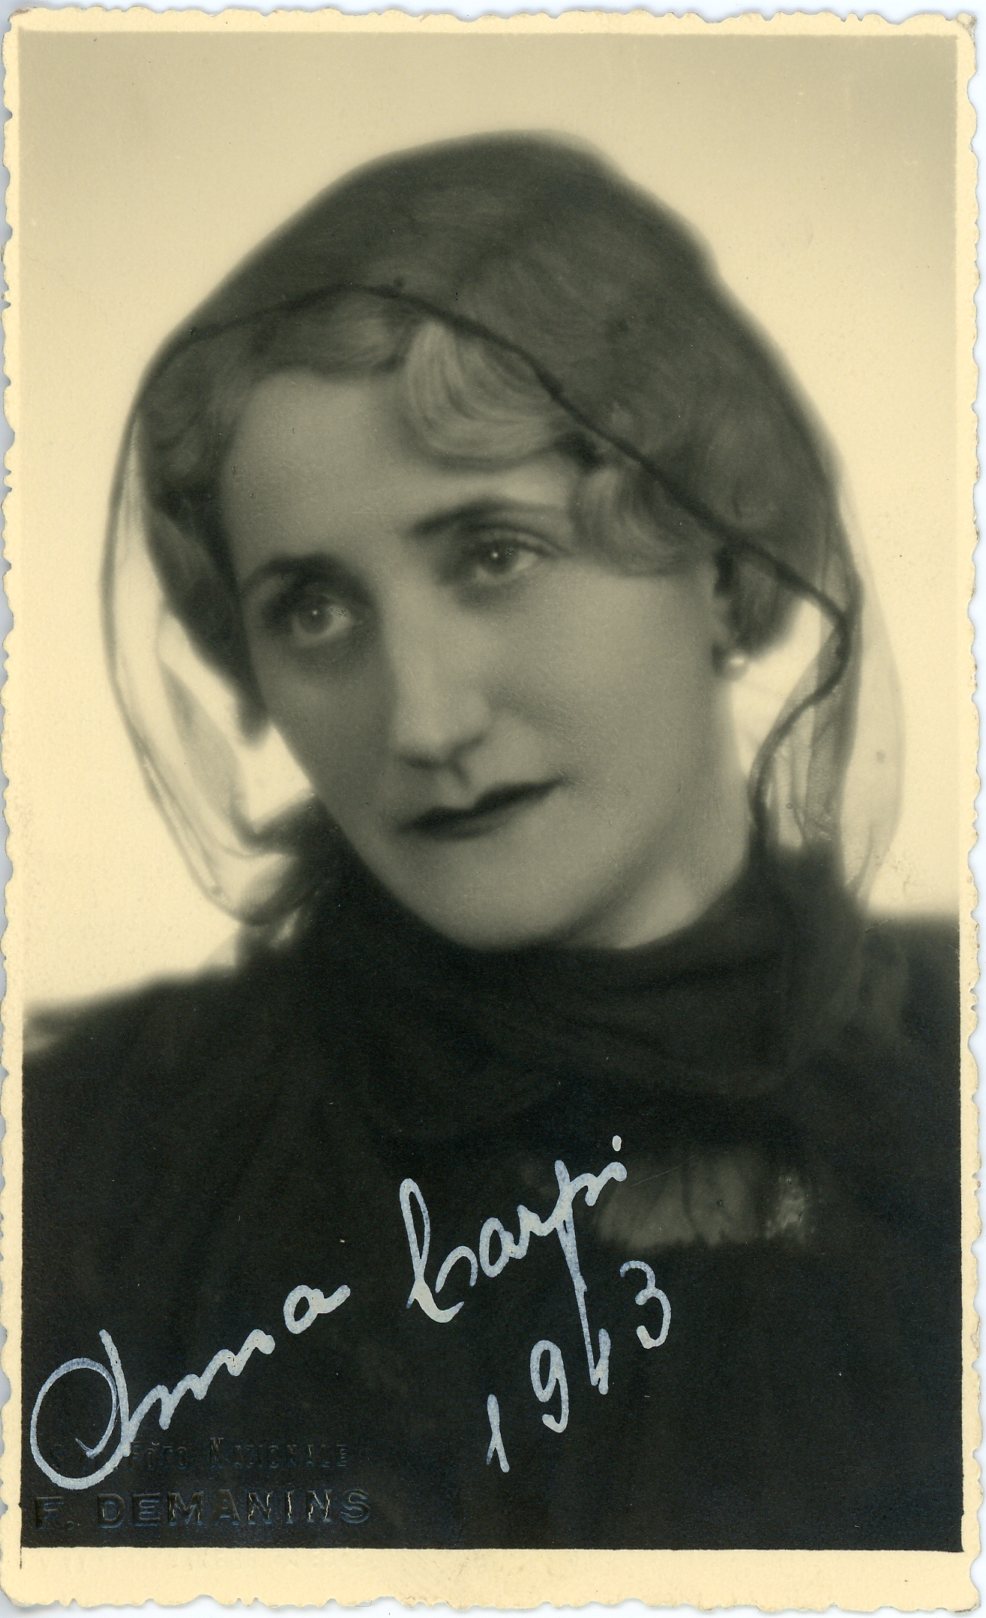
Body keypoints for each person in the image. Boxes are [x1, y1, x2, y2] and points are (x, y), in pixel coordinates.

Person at [22, 133, 961, 1551]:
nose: (423, 719)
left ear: (719, 558)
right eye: (313, 610)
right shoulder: (105, 1165)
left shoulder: (945, 1082)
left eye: (494, 554)